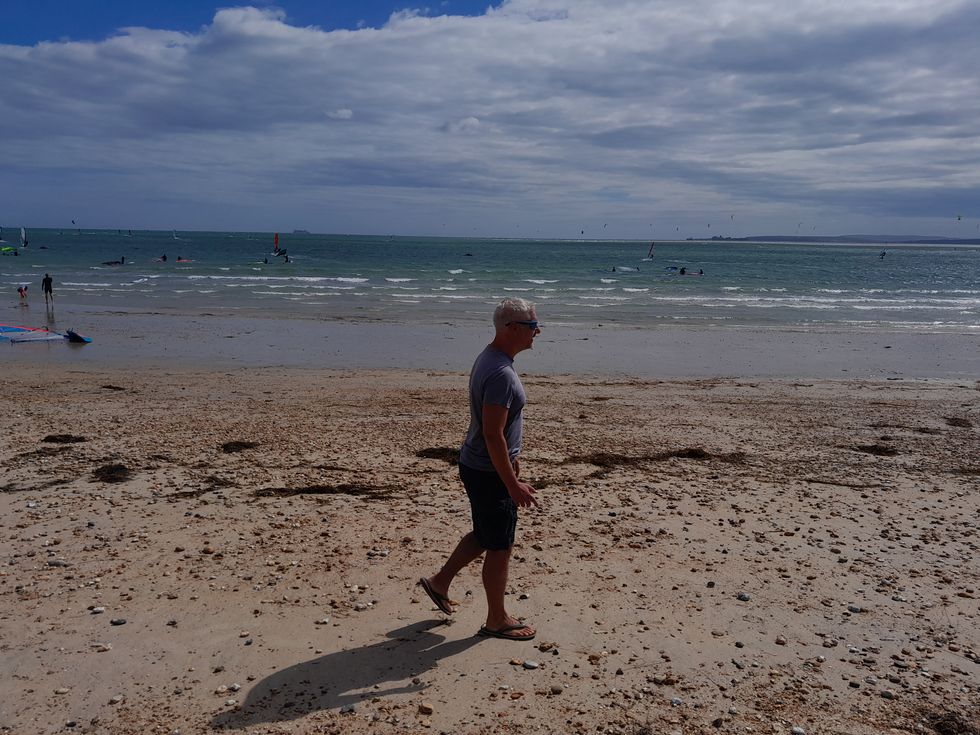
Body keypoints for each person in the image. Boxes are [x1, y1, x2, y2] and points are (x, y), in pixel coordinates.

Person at [419, 297, 541, 641]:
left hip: (480, 465)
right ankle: (496, 619)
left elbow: (497, 433)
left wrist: (514, 471)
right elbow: (492, 433)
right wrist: (512, 483)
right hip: (487, 471)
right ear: (511, 329)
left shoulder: (493, 358)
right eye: (532, 326)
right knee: (500, 544)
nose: (538, 331)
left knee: (486, 534)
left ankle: (439, 582)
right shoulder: (500, 372)